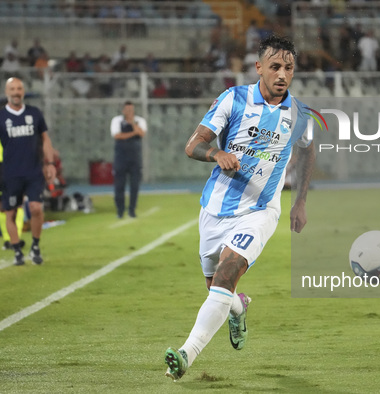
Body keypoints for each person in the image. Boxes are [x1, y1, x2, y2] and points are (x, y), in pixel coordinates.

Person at [164, 35, 315, 382]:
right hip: (215, 207)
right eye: (275, 66)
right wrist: (217, 154)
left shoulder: (299, 114)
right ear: (259, 67)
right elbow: (193, 145)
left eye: (288, 68)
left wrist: (301, 200)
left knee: (229, 271)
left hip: (260, 211)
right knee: (217, 287)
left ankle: (186, 354)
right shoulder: (233, 99)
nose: (282, 74)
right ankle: (238, 308)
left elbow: (307, 151)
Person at [0, 77, 56, 265]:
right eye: (12, 89)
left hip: (33, 171)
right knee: (10, 213)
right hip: (10, 173)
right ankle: (17, 251)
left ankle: (35, 246)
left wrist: (50, 163)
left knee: (36, 208)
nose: (16, 92)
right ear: (7, 92)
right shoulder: (1, 117)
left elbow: (45, 139)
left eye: (19, 88)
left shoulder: (35, 113)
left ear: (23, 91)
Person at [110, 101, 147, 218]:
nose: (130, 112)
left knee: (134, 185)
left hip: (135, 158)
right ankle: (120, 210)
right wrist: (133, 132)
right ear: (123, 110)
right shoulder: (116, 120)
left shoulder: (140, 121)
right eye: (127, 110)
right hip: (121, 158)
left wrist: (132, 124)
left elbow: (141, 133)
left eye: (131, 110)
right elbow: (117, 135)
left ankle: (132, 210)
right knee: (119, 185)